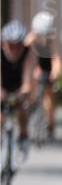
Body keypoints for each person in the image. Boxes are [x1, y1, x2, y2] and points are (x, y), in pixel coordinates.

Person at [1, 20, 36, 158]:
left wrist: (26, 88)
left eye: (18, 46)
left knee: (22, 109)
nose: (15, 49)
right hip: (3, 84)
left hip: (19, 85)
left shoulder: (28, 53)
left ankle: (23, 136)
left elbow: (28, 76)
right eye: (11, 45)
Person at [26, 11, 61, 141]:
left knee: (50, 96)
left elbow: (56, 58)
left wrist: (55, 72)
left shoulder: (52, 40)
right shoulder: (30, 40)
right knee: (30, 87)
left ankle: (51, 125)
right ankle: (31, 105)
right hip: (35, 66)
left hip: (48, 67)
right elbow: (25, 58)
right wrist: (33, 69)